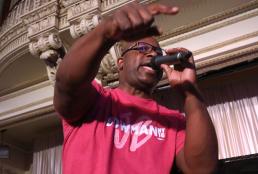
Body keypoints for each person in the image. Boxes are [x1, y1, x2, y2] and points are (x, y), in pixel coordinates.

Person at [54, 1, 218, 174]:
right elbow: (66, 83)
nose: (152, 54)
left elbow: (202, 169)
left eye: (157, 53)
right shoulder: (94, 100)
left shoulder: (173, 120)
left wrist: (190, 92)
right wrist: (106, 32)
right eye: (142, 48)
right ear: (121, 63)